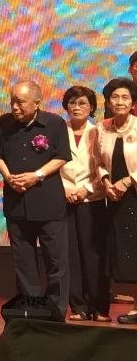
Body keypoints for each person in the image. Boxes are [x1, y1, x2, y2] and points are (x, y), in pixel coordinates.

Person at [0, 81, 70, 320]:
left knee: (55, 261)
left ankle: (56, 312)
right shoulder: (3, 123)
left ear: (37, 102)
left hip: (48, 201)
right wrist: (8, 177)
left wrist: (36, 176)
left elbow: (61, 157)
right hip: (16, 201)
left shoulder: (54, 123)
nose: (15, 107)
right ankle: (32, 310)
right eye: (12, 101)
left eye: (21, 102)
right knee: (23, 260)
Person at [60, 86, 108, 320]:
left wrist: (86, 188)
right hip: (65, 198)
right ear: (66, 106)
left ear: (91, 108)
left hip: (93, 198)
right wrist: (66, 189)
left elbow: (105, 166)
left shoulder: (99, 131)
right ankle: (78, 307)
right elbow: (52, 164)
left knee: (93, 254)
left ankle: (98, 307)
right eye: (72, 103)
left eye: (82, 104)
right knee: (71, 255)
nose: (77, 107)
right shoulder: (58, 130)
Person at [92, 77, 137, 324]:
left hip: (134, 194)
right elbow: (98, 162)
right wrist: (107, 181)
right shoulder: (102, 127)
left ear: (132, 103)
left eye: (125, 97)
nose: (120, 102)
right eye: (115, 97)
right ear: (108, 101)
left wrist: (128, 181)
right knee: (126, 253)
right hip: (115, 198)